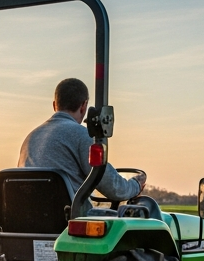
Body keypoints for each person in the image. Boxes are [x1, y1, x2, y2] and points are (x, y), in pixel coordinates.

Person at [18, 77, 146, 213]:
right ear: (84, 106)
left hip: (27, 219)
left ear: (55, 105)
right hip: (67, 220)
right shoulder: (80, 134)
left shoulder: (30, 139)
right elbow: (114, 188)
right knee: (133, 216)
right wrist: (135, 185)